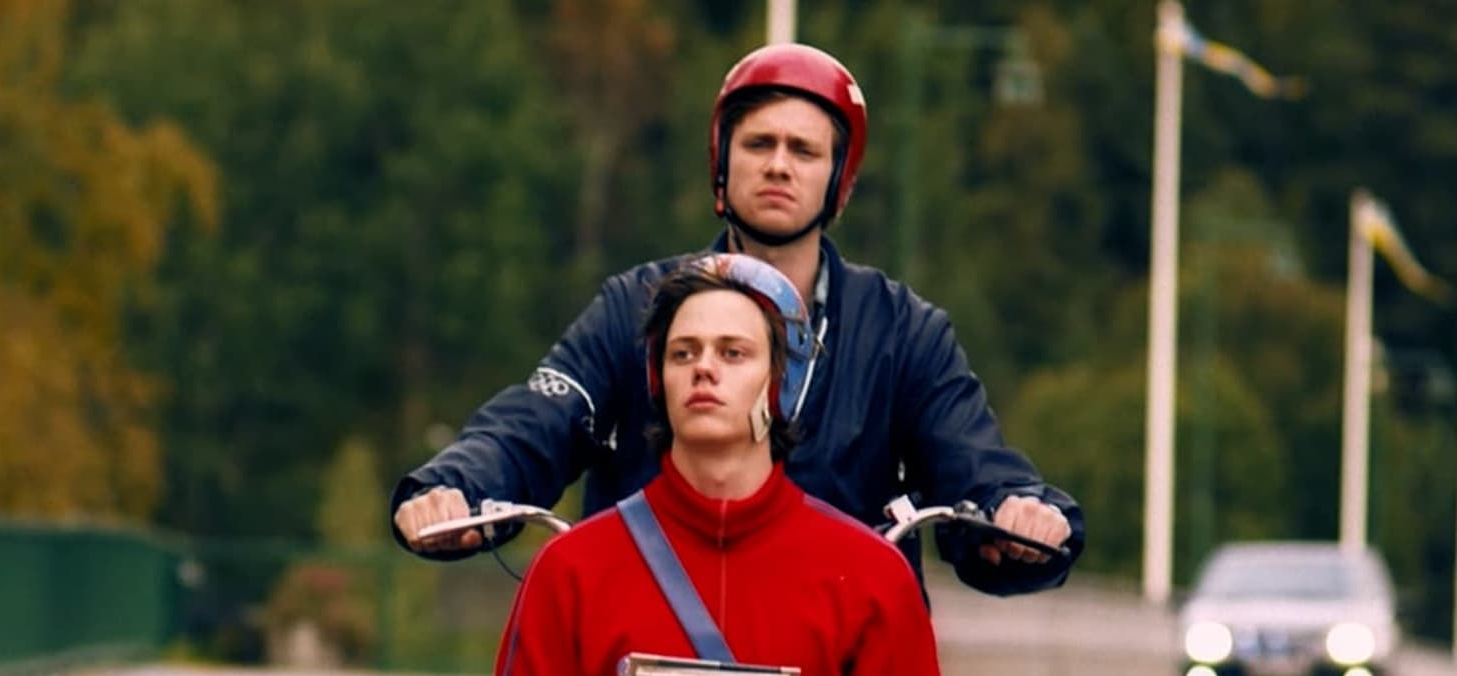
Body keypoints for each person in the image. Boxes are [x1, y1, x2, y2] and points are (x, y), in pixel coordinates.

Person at [392, 42, 1083, 597]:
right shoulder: (636, 306)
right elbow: (538, 418)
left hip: (834, 633)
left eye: (804, 150)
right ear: (721, 160)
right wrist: (460, 485)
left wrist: (1016, 510)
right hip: (647, 625)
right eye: (758, 144)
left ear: (839, 178)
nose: (779, 165)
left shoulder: (903, 331)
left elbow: (972, 460)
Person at [493, 255, 940, 675]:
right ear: (658, 381)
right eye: (682, 353)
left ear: (780, 382)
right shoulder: (569, 572)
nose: (703, 368)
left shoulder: (872, 578)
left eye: (732, 353)